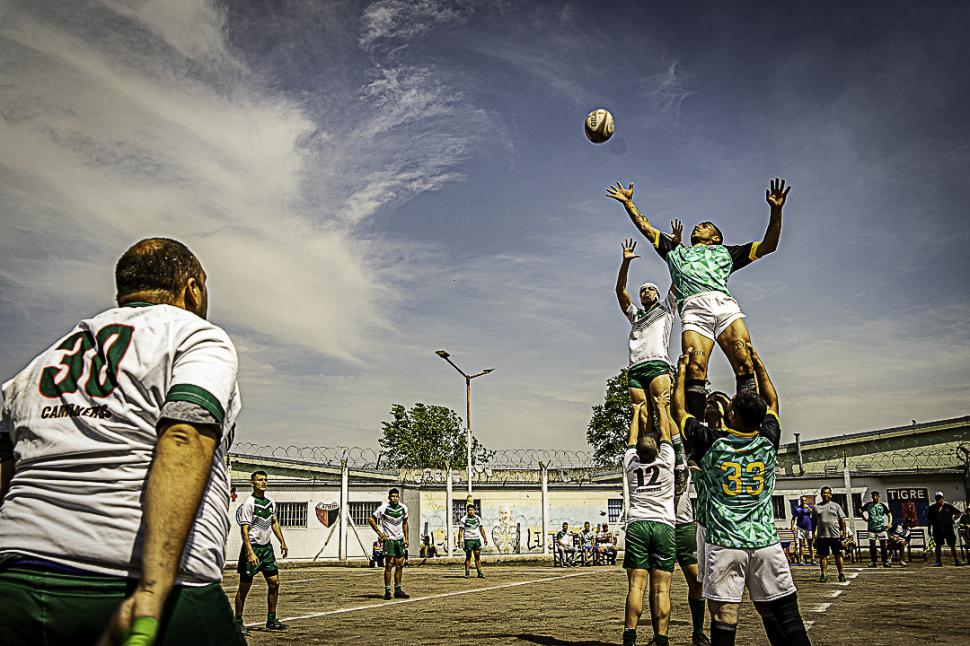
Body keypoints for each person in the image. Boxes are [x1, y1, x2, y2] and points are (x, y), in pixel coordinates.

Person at [0, 238, 244, 645]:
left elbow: (6, 472)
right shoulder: (196, 337)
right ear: (192, 288)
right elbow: (183, 436)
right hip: (141, 583)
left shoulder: (40, 364)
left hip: (20, 585)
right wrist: (153, 587)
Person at [608, 178, 791, 421]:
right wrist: (629, 203)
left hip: (724, 306)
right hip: (693, 309)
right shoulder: (676, 252)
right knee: (695, 366)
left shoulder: (726, 252)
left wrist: (776, 210)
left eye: (705, 226)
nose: (698, 227)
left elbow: (769, 245)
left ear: (716, 238)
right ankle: (696, 440)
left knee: (744, 360)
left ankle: (748, 426)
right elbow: (646, 227)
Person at [673, 346, 811, 646]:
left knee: (724, 617)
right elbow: (773, 399)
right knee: (787, 615)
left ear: (731, 414)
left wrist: (683, 371)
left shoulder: (711, 443)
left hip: (725, 544)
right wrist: (757, 363)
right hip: (765, 542)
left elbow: (680, 412)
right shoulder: (767, 440)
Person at [621, 400, 677, 646]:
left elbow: (631, 441)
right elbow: (666, 433)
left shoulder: (631, 465)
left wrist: (635, 412)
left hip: (637, 525)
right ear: (656, 451)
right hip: (663, 526)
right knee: (662, 589)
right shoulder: (666, 462)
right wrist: (663, 408)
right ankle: (661, 639)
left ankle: (630, 636)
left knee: (636, 587)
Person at [615, 237, 679, 436]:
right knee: (642, 416)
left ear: (657, 294)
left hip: (657, 364)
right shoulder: (635, 314)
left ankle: (675, 456)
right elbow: (620, 290)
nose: (646, 292)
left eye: (650, 289)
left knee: (662, 410)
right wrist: (626, 262)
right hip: (636, 367)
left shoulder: (667, 308)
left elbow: (678, 277)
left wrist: (675, 248)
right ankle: (650, 457)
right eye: (643, 290)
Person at [233, 471, 289, 634]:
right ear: (252, 483)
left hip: (267, 549)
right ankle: (237, 622)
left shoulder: (270, 502)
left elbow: (274, 522)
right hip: (253, 549)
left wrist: (282, 542)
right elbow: (244, 530)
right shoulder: (249, 504)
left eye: (265, 480)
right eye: (259, 480)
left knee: (274, 583)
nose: (263, 482)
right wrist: (250, 552)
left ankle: (271, 620)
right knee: (244, 587)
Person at [369, 488, 410, 599]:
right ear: (389, 497)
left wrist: (406, 538)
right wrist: (380, 533)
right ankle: (387, 590)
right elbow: (371, 519)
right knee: (389, 564)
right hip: (389, 540)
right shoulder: (383, 508)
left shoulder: (403, 508)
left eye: (396, 496)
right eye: (393, 496)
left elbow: (405, 523)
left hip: (399, 539)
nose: (395, 498)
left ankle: (398, 589)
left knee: (400, 564)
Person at [811, 486, 847, 582]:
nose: (825, 495)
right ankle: (824, 574)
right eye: (823, 493)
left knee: (838, 555)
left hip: (835, 535)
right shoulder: (816, 507)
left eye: (827, 493)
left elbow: (842, 520)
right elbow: (813, 522)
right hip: (822, 536)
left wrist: (844, 532)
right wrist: (813, 534)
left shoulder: (836, 506)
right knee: (823, 556)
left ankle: (841, 574)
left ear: (830, 495)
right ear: (821, 494)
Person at [927, 492, 963, 567]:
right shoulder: (932, 508)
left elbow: (959, 512)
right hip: (937, 529)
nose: (938, 499)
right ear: (935, 499)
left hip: (948, 529)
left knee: (952, 545)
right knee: (938, 545)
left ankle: (956, 560)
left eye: (940, 498)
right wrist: (929, 529)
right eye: (937, 498)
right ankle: (938, 561)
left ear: (943, 498)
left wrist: (954, 519)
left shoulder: (948, 507)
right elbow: (929, 519)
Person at [860, 491, 892, 568]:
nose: (875, 497)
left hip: (881, 528)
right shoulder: (868, 505)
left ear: (878, 497)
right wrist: (864, 518)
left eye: (876, 496)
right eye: (873, 496)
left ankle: (885, 561)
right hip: (871, 528)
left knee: (884, 546)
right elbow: (860, 510)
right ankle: (873, 561)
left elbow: (889, 514)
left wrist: (889, 523)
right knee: (872, 546)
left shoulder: (882, 505)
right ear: (872, 497)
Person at [458, 504, 488, 578]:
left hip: (476, 539)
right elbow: (461, 531)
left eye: (472, 510)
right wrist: (460, 541)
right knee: (468, 556)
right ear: (467, 511)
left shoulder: (478, 518)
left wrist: (485, 538)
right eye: (469, 510)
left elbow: (481, 529)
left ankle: (479, 572)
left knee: (477, 556)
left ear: (474, 510)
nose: (471, 511)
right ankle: (467, 572)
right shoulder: (464, 519)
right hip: (468, 539)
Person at [791, 497, 816, 565]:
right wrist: (792, 526)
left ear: (806, 501)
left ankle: (813, 559)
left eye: (805, 500)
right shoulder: (797, 508)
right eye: (802, 500)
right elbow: (793, 518)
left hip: (809, 527)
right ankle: (801, 559)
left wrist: (808, 508)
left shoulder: (810, 507)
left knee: (810, 544)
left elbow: (814, 514)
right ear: (800, 501)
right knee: (802, 543)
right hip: (800, 527)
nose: (803, 501)